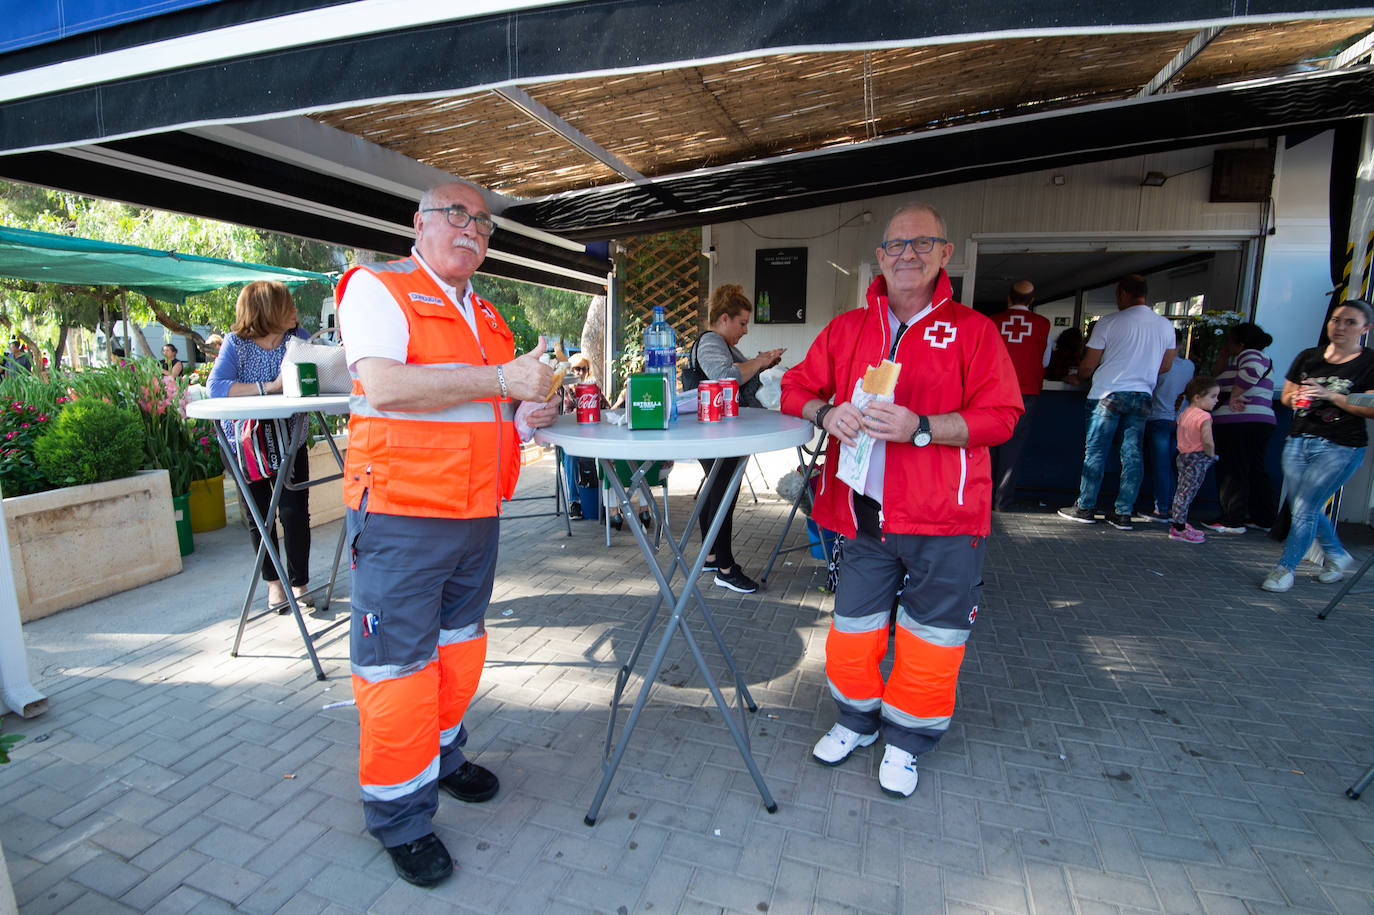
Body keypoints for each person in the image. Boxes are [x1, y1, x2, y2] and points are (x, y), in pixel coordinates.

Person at [335, 179, 558, 887]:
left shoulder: (488, 315)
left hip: (475, 515)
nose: (471, 229)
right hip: (403, 514)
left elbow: (491, 412)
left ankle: (442, 753)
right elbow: (386, 386)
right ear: (419, 223)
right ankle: (400, 815)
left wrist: (527, 418)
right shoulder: (379, 287)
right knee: (398, 669)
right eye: (455, 215)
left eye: (483, 223)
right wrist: (500, 381)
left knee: (459, 650)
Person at [780, 202, 1021, 797]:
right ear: (880, 259)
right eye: (896, 247)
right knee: (853, 632)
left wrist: (921, 427)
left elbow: (1003, 416)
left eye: (922, 244)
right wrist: (825, 411)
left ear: (945, 254)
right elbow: (794, 388)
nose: (907, 255)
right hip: (864, 518)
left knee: (931, 641)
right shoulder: (847, 329)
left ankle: (908, 740)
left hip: (946, 519)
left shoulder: (974, 331)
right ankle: (857, 721)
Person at [207, 281, 313, 613]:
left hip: (290, 438)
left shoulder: (300, 339)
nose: (295, 310)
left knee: (295, 513)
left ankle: (300, 582)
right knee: (259, 517)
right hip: (246, 445)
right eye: (288, 304)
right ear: (269, 310)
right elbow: (216, 387)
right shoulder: (236, 345)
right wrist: (270, 388)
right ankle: (274, 583)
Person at [1260, 299, 1374, 593]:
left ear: (1365, 328)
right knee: (1303, 506)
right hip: (1299, 439)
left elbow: (1370, 405)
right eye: (1336, 320)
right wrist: (1296, 397)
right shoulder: (1309, 357)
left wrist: (1330, 395)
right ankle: (1336, 555)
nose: (1341, 326)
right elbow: (1286, 396)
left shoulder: (1368, 362)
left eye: (1350, 322)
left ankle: (1284, 569)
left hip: (1341, 445)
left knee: (1305, 507)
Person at [1057, 275, 1176, 530]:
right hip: (1142, 395)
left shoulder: (1109, 323)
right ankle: (1123, 512)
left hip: (1108, 393)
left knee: (1097, 452)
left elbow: (1088, 366)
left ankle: (1085, 506)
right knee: (1132, 454)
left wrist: (1078, 377)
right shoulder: (1165, 325)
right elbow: (1166, 365)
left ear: (1122, 294)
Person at [687, 283, 784, 593]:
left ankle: (712, 556)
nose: (744, 330)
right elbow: (726, 377)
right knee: (723, 493)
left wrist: (761, 362)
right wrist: (759, 362)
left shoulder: (722, 344)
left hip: (716, 431)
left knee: (715, 489)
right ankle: (726, 568)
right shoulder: (712, 341)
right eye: (742, 323)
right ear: (724, 318)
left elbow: (738, 371)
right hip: (714, 431)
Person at [1203, 322, 1277, 534]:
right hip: (1257, 421)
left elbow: (1250, 373)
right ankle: (1263, 517)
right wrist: (1224, 356)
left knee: (1233, 470)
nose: (1226, 344)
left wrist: (1234, 395)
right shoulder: (1242, 358)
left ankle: (1232, 519)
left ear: (1241, 342)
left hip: (1240, 422)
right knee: (1254, 469)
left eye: (1229, 340)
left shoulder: (1251, 355)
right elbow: (1215, 375)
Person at [988, 280, 1051, 511]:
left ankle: (984, 496)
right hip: (1025, 393)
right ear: (1032, 300)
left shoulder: (993, 321)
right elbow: (1046, 361)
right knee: (1013, 447)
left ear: (1009, 298)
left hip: (993, 392)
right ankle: (1002, 500)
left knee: (988, 443)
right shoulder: (1043, 324)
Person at [1142, 331, 1194, 522]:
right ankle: (1173, 506)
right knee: (1171, 466)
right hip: (1180, 420)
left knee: (1161, 466)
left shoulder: (1158, 366)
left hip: (1159, 418)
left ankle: (1162, 508)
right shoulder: (1189, 366)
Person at [1166, 376, 1219, 543]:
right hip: (1198, 457)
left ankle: (1179, 522)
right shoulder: (1204, 417)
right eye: (1212, 396)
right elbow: (1207, 441)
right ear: (1197, 397)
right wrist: (1212, 455)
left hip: (1183, 456)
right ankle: (1178, 527)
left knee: (1182, 490)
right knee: (1187, 493)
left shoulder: (1184, 413)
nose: (1216, 400)